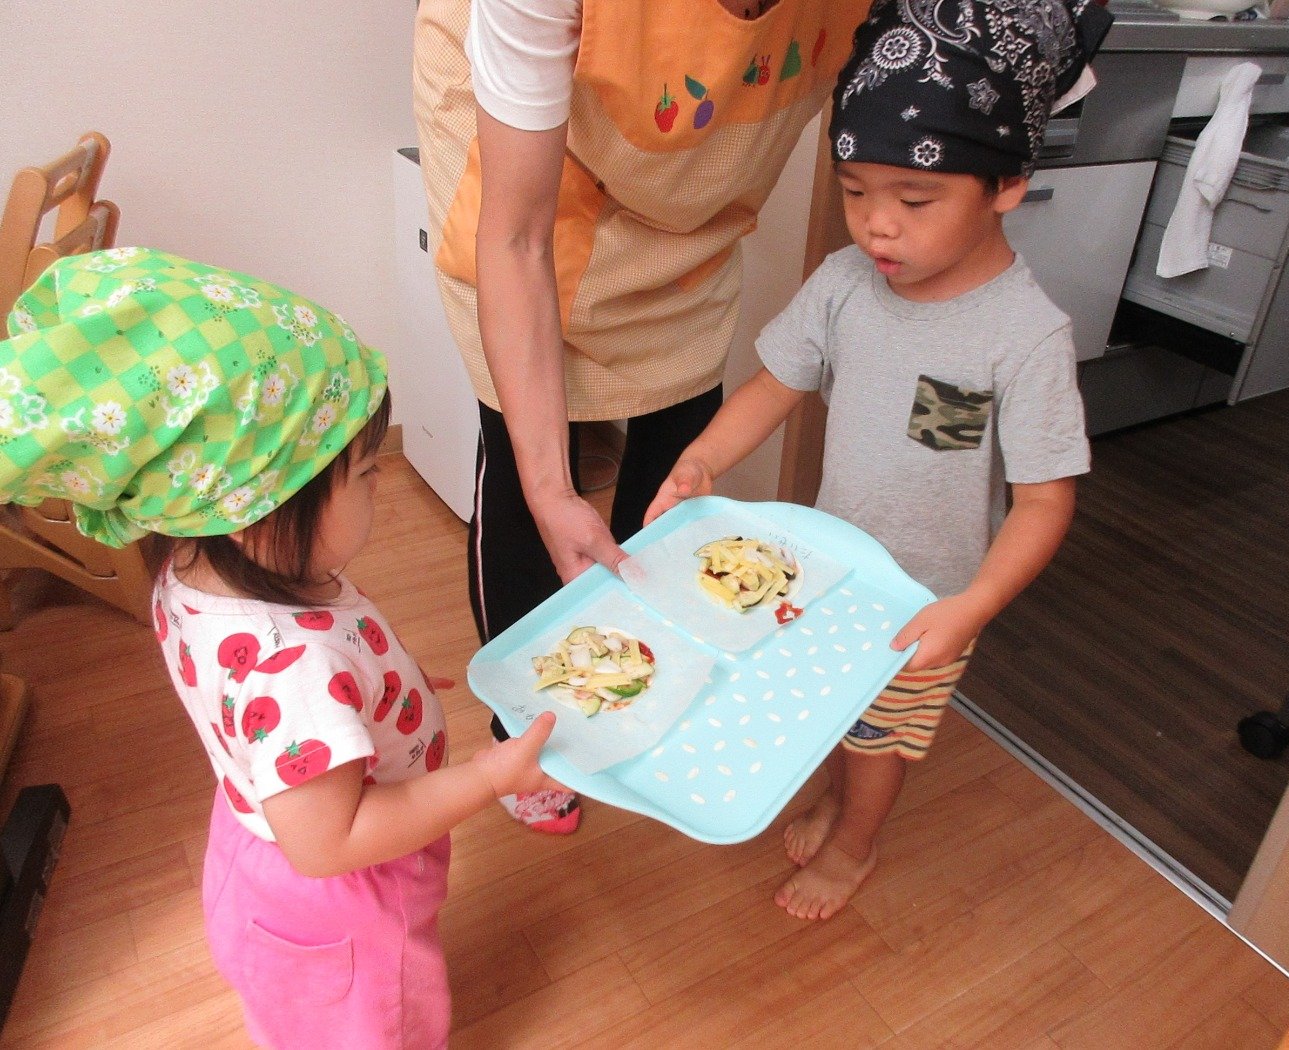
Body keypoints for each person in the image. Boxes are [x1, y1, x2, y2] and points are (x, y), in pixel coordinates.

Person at [0, 248, 560, 1049]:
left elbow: (283, 711)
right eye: (364, 473)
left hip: (257, 854)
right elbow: (331, 840)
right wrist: (488, 777)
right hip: (343, 904)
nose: (379, 485)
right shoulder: (294, 667)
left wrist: (382, 689)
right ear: (258, 511)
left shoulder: (190, 567)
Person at [644, 0, 1114, 920]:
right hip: (827, 574)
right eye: (856, 192)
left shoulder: (1025, 336)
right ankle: (838, 801)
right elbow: (774, 385)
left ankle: (855, 846)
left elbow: (1043, 503)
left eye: (914, 199)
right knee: (835, 711)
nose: (876, 227)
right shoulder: (844, 284)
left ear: (1007, 185)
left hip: (925, 604)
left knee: (879, 738)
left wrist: (972, 607)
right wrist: (700, 461)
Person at [412, 0, 876, 831]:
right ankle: (526, 735)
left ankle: (654, 680)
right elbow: (515, 238)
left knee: (676, 445)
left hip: (695, 206)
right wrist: (552, 490)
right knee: (525, 471)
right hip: (530, 196)